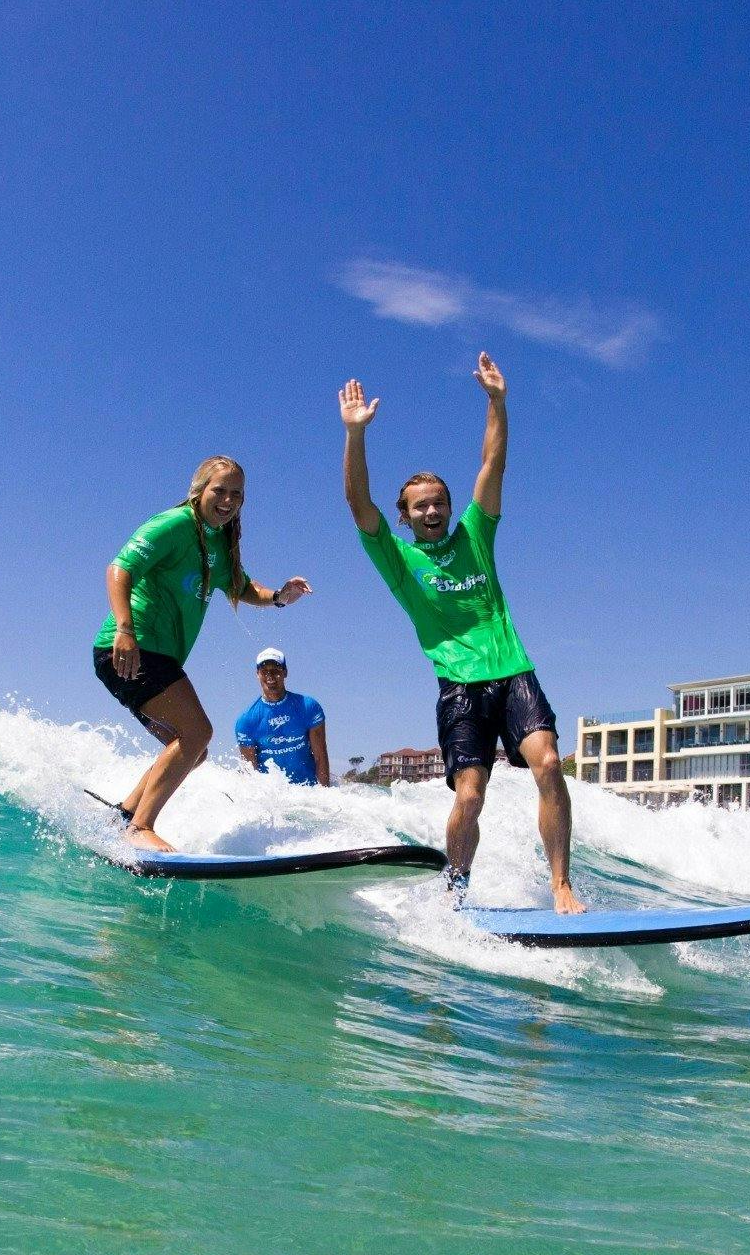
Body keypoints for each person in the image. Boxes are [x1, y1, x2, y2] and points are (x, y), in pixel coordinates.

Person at [340, 353, 584, 913]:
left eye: (439, 502)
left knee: (547, 763)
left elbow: (492, 467)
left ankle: (562, 885)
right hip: (459, 687)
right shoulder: (399, 561)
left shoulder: (475, 535)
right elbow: (358, 505)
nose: (432, 510)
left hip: (512, 670)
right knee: (470, 795)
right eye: (421, 505)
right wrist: (356, 437)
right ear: (406, 516)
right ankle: (456, 888)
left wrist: (497, 403)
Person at [93, 457, 312, 851]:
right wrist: (124, 628)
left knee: (193, 750)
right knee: (196, 734)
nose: (228, 500)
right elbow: (119, 568)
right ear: (199, 491)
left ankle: (122, 815)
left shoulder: (220, 543)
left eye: (237, 494)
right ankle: (140, 827)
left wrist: (279, 596)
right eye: (220, 491)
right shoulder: (174, 524)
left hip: (158, 655)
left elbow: (243, 588)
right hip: (131, 647)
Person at [234, 647, 330, 787]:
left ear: (285, 672)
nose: (270, 676)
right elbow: (250, 776)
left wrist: (324, 796)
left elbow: (320, 757)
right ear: (257, 674)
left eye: (275, 670)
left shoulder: (308, 707)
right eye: (264, 671)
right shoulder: (246, 721)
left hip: (310, 794)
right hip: (275, 798)